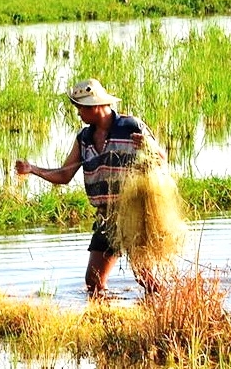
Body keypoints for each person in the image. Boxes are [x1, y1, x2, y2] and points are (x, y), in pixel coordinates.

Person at [15, 78, 167, 298]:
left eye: (80, 108)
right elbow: (65, 174)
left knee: (144, 276)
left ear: (94, 107)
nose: (78, 114)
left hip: (134, 215)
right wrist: (32, 169)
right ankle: (105, 319)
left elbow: (162, 159)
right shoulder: (84, 138)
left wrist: (148, 146)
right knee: (94, 281)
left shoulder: (131, 126)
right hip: (106, 216)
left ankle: (162, 310)